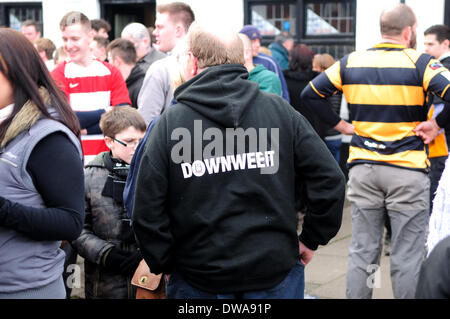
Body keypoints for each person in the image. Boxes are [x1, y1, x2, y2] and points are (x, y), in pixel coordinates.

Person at [132, 22, 346, 299]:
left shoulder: (169, 124)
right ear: (243, 60)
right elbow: (330, 178)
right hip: (265, 273)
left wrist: (164, 260)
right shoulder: (280, 111)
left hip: (202, 278)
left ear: (192, 62)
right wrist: (312, 238)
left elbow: (145, 207)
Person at [301, 3, 450, 299]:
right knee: (407, 254)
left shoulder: (350, 61)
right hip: (407, 170)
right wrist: (436, 124)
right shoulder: (422, 63)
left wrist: (341, 125)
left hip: (363, 168)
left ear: (382, 30)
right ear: (409, 31)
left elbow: (310, 94)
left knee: (363, 251)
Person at [0, 28, 84, 299]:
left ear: (16, 73)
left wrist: (4, 210)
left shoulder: (47, 138)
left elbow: (70, 222)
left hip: (25, 289)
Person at [73, 106, 146, 299]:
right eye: (130, 141)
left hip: (148, 282)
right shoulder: (88, 177)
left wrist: (150, 254)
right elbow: (77, 229)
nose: (137, 147)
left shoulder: (154, 173)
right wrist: (106, 254)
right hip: (103, 286)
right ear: (109, 141)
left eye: (142, 140)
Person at [51, 11, 131, 163]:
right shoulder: (57, 74)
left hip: (107, 162)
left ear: (90, 36)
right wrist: (106, 112)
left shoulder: (111, 71)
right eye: (65, 39)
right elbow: (64, 119)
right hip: (72, 161)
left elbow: (124, 119)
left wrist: (86, 129)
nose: (68, 45)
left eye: (74, 39)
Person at [137, 1, 195, 125]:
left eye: (160, 27)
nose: (154, 32)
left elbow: (145, 123)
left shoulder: (160, 69)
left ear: (178, 30)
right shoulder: (209, 64)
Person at [423, 24, 450, 211]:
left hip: (442, 139)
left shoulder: (441, 69)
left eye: (430, 44)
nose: (426, 49)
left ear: (445, 43)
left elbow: (442, 105)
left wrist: (436, 125)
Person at [283, 44, 325, 139]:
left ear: (292, 59)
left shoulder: (284, 79)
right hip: (315, 130)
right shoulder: (319, 79)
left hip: (292, 130)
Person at [239, 25, 290, 103]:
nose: (257, 45)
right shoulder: (234, 60)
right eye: (253, 41)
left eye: (259, 41)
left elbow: (282, 90)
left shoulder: (269, 62)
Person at [311, 53, 343, 163]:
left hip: (327, 135)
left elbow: (329, 110)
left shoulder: (323, 86)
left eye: (315, 67)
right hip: (336, 134)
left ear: (321, 68)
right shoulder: (338, 83)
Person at [107, 38, 142, 108]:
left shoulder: (140, 87)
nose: (108, 65)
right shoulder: (142, 82)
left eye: (109, 61)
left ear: (117, 61)